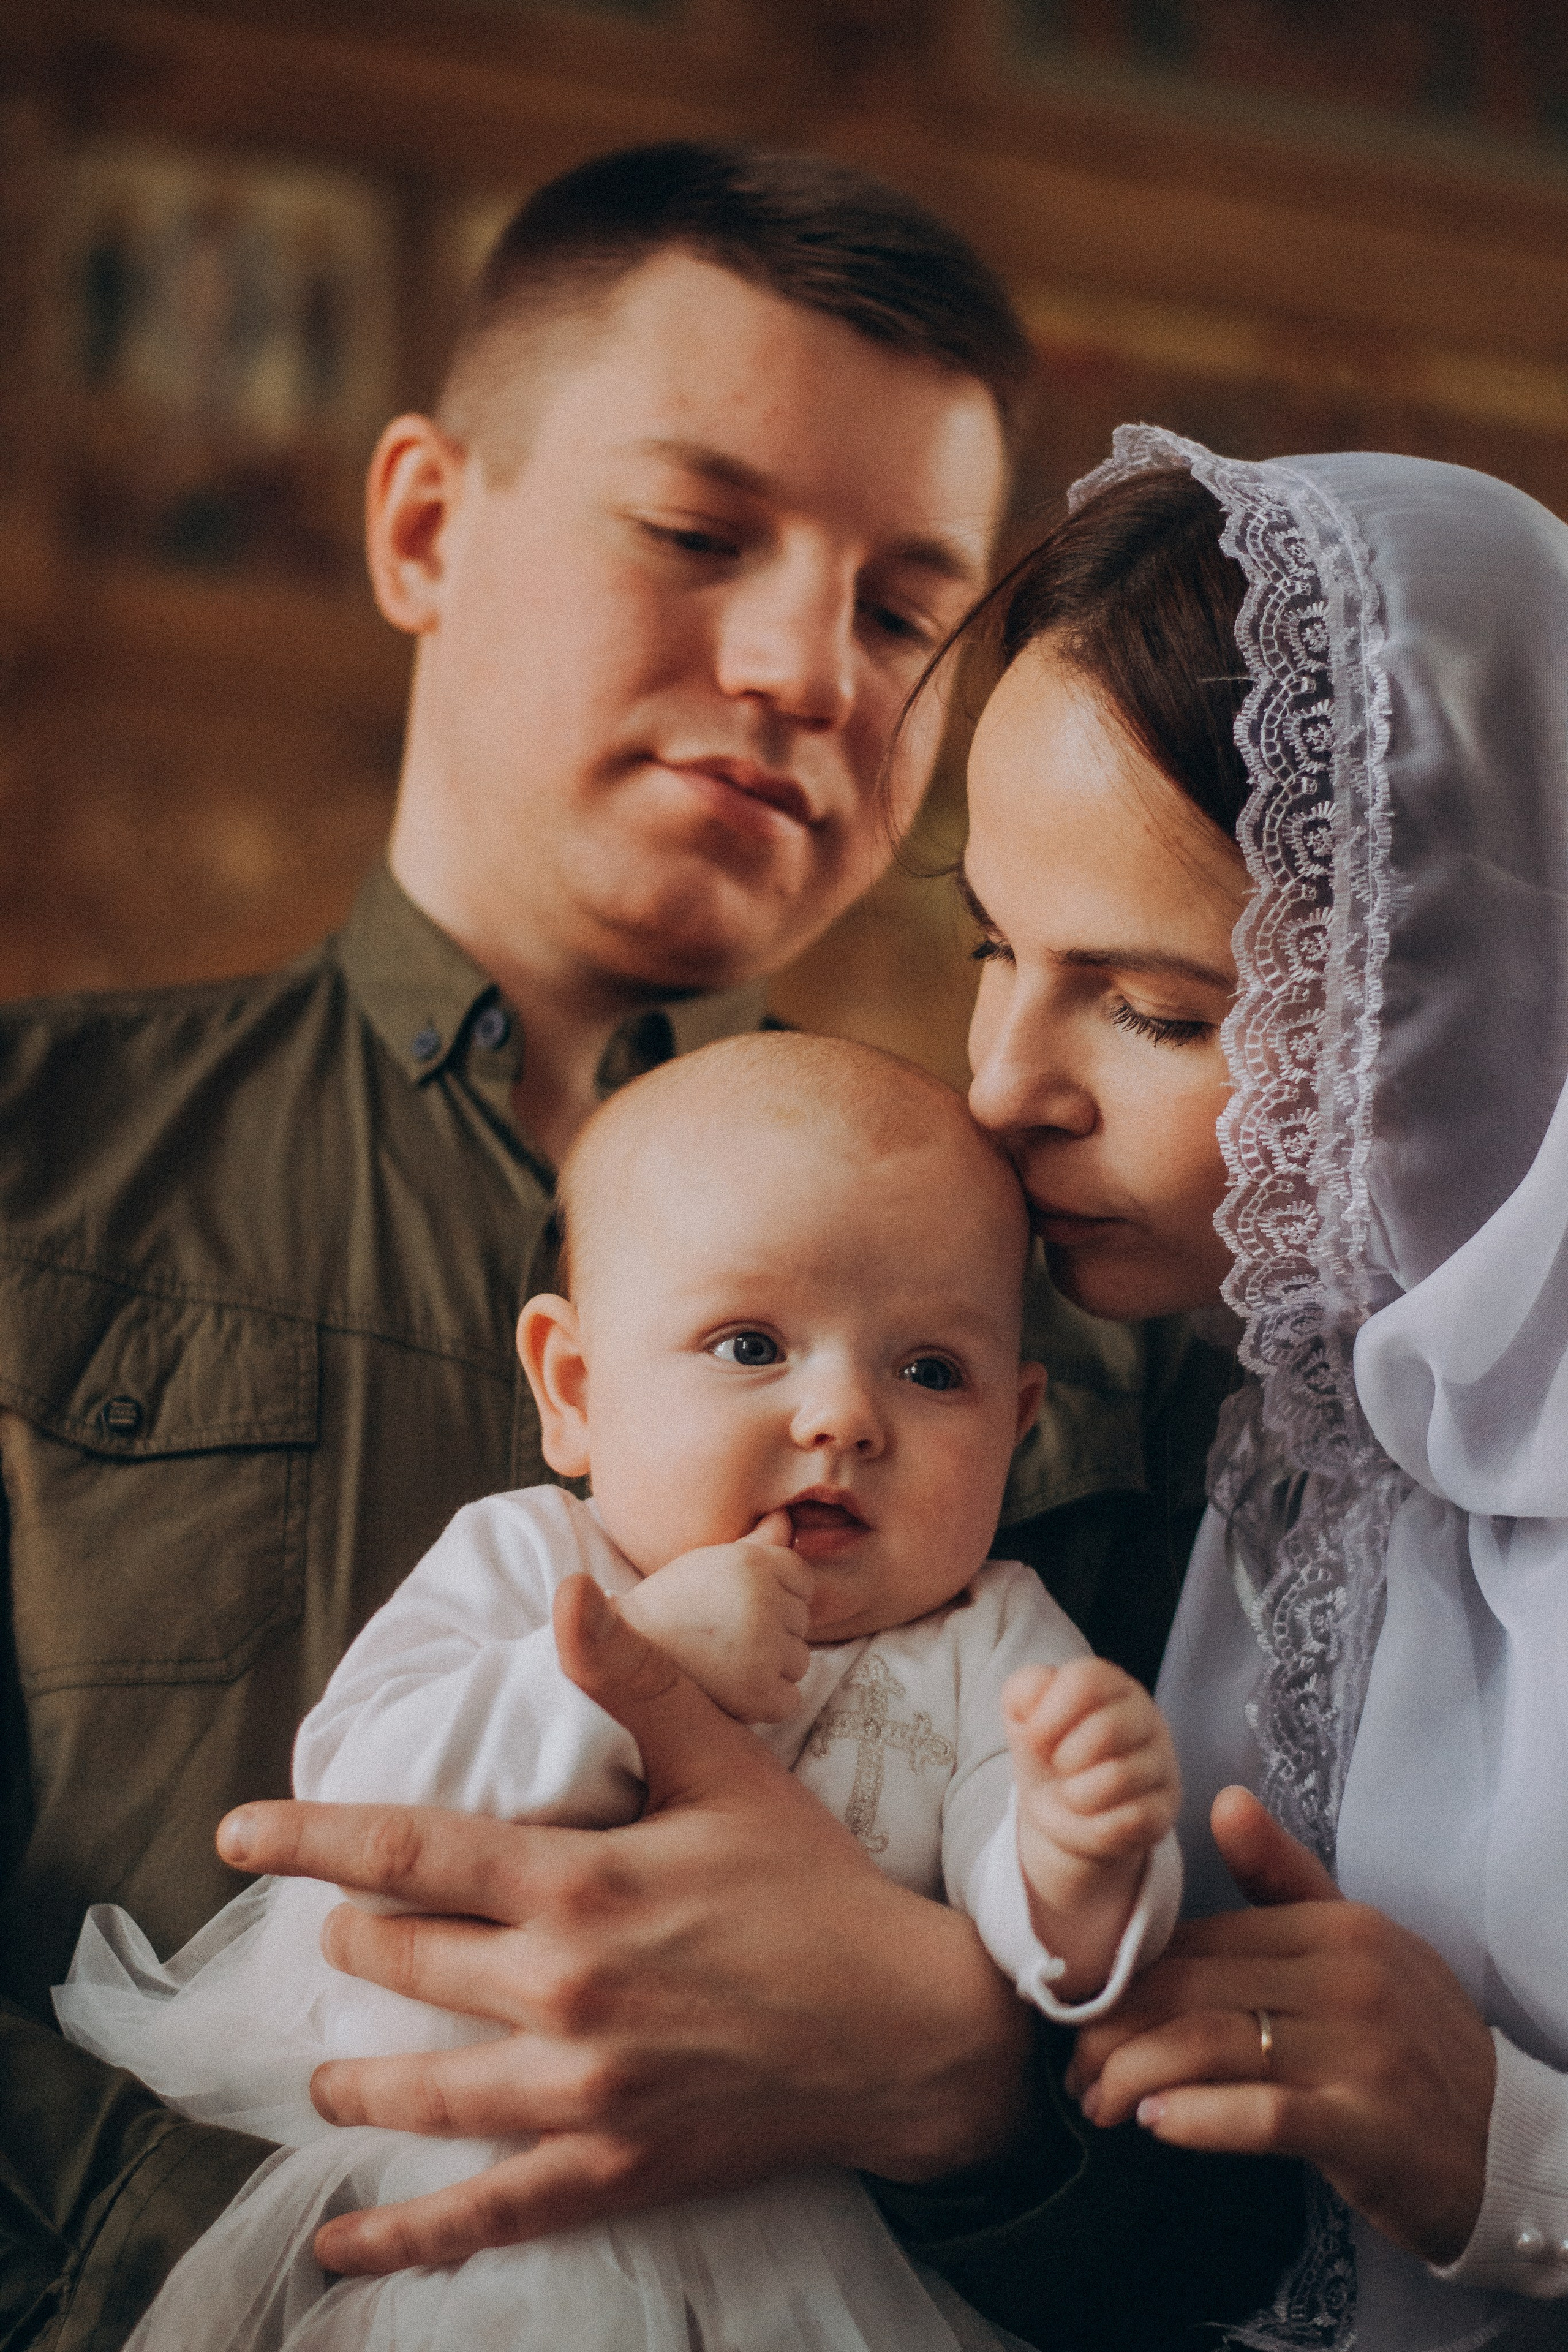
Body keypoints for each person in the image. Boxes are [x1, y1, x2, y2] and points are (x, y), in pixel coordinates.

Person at [0, 146, 1287, 2352]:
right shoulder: (36, 1166)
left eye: (905, 611)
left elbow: (1250, 2186)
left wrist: (966, 2080)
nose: (807, 665)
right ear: (422, 524)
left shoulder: (1101, 1297)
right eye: (698, 534)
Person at [56, 1032, 1185, 2351]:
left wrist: (1081, 1857)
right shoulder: (537, 1560)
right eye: (751, 1343)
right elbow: (361, 1790)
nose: (842, 1416)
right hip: (477, 2211)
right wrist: (627, 1661)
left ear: (1016, 1419)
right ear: (574, 1391)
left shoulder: (996, 1635)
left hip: (816, 2249)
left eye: (931, 1371)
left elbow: (1037, 1921)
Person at [959, 426, 1568, 2346]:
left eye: (1155, 1009)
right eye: (987, 948)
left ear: (1473, 996)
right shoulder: (1229, 1432)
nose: (1003, 1084)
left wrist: (1513, 2154)